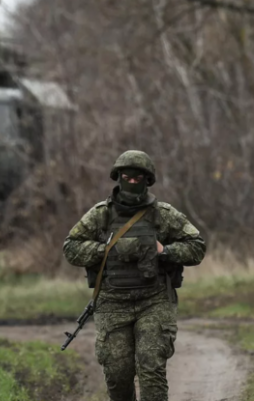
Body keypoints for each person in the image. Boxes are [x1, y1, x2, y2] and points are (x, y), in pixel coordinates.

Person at [63, 150, 206, 401]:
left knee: (151, 369)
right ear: (118, 177)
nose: (131, 182)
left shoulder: (162, 214)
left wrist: (165, 251)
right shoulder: (101, 215)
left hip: (154, 301)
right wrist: (105, 250)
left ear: (147, 180)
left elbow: (196, 247)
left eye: (137, 178)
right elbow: (71, 247)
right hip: (112, 302)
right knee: (118, 374)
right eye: (127, 177)